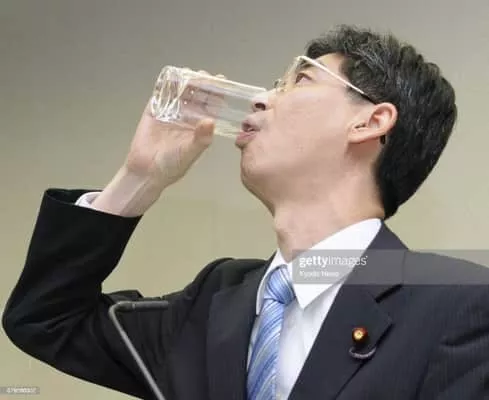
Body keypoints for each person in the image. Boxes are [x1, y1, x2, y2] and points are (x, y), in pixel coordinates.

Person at [3, 24, 489, 400]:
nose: (259, 98)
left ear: (370, 120)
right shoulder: (215, 301)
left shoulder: (458, 304)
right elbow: (46, 319)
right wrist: (138, 179)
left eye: (298, 80)